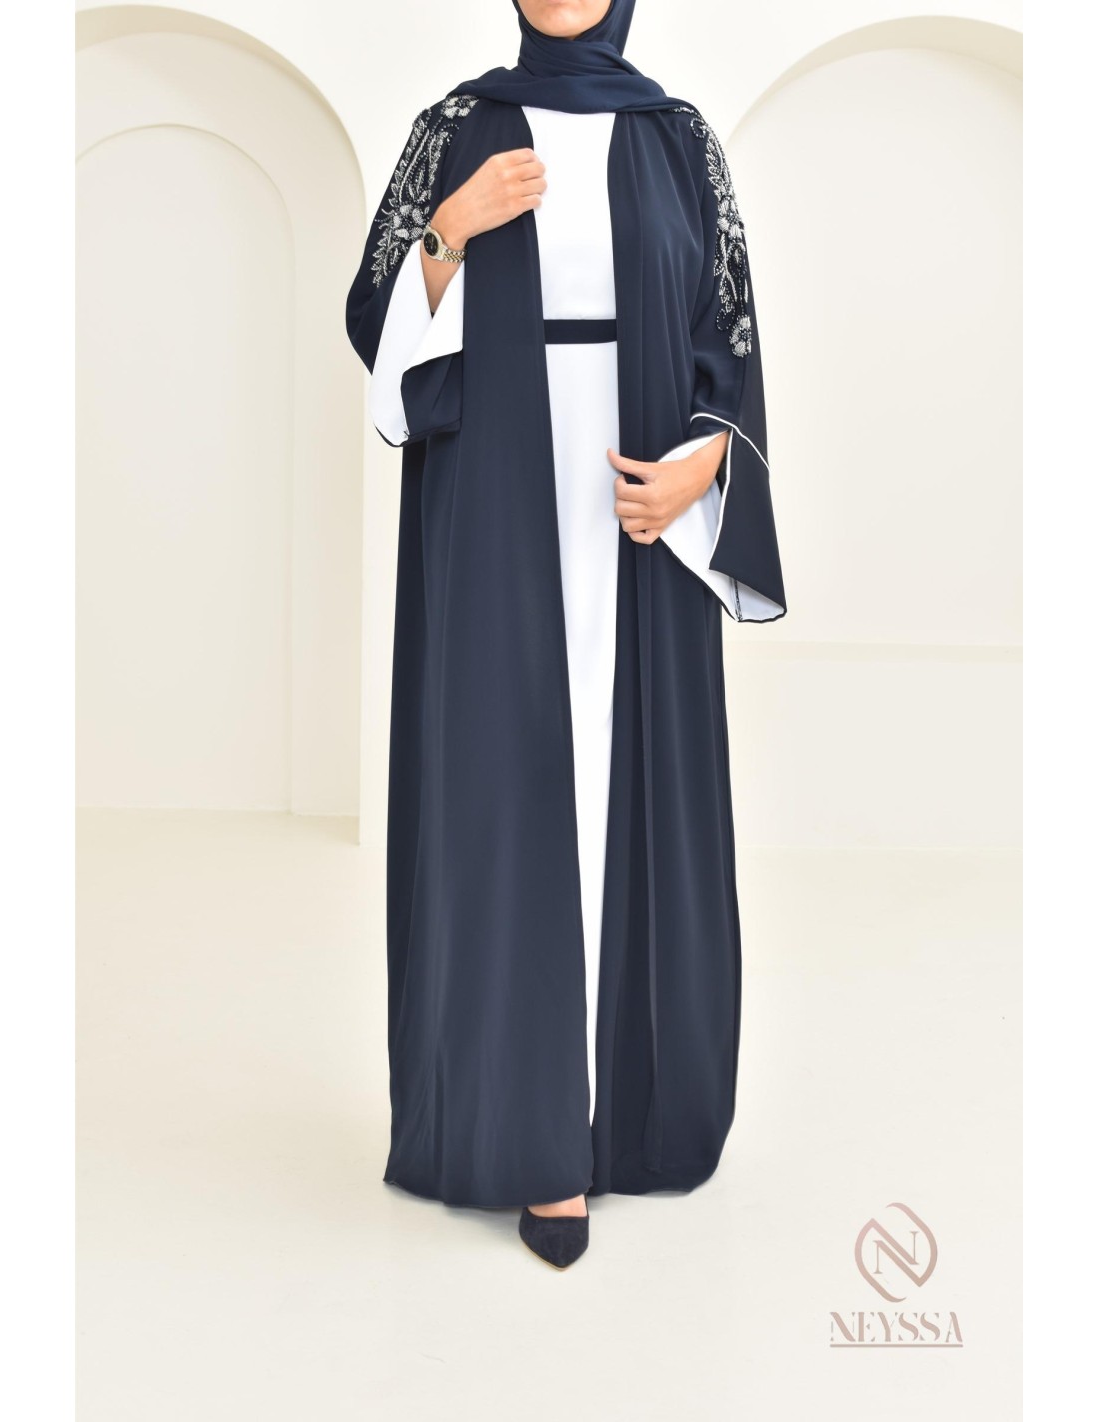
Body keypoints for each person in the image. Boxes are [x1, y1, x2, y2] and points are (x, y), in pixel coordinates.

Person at [345, 0, 786, 1270]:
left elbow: (729, 345)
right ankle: (527, 1135)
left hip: (635, 522)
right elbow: (380, 336)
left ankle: (629, 1116)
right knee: (502, 800)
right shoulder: (454, 128)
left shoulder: (677, 141)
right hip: (494, 505)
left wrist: (703, 465)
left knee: (619, 793)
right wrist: (449, 231)